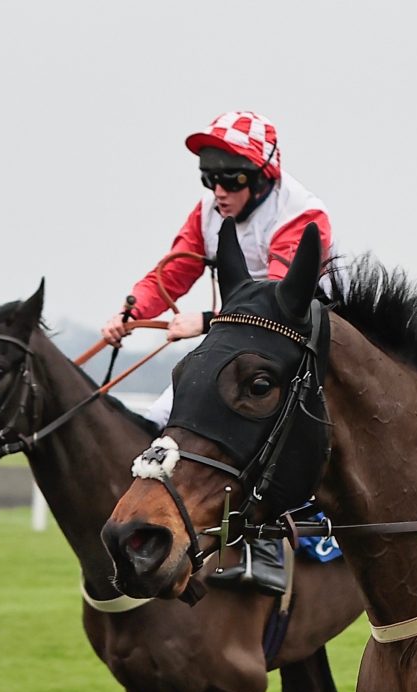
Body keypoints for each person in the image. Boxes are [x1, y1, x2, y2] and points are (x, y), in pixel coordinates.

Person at [100, 110, 333, 596]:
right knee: (161, 419)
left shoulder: (301, 214)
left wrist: (203, 323)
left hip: (307, 349)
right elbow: (173, 271)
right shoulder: (209, 213)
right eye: (210, 179)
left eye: (232, 178)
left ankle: (269, 550)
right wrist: (131, 311)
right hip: (244, 344)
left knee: (257, 432)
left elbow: (274, 300)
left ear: (263, 176)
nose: (218, 191)